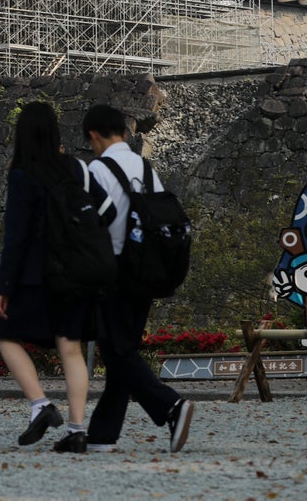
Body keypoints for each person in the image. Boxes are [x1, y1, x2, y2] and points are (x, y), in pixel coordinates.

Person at [0, 101, 115, 454]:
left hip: (36, 276)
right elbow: (108, 209)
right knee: (70, 348)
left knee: (3, 334)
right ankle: (76, 431)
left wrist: (5, 287)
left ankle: (41, 405)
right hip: (77, 273)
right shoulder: (76, 168)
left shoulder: (23, 172)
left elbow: (16, 236)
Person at [84, 104, 195, 455]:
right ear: (127, 133)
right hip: (147, 270)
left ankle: (170, 406)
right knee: (122, 352)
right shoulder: (146, 169)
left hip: (113, 272)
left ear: (94, 136)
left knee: (117, 352)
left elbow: (91, 227)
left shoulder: (97, 170)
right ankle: (102, 435)